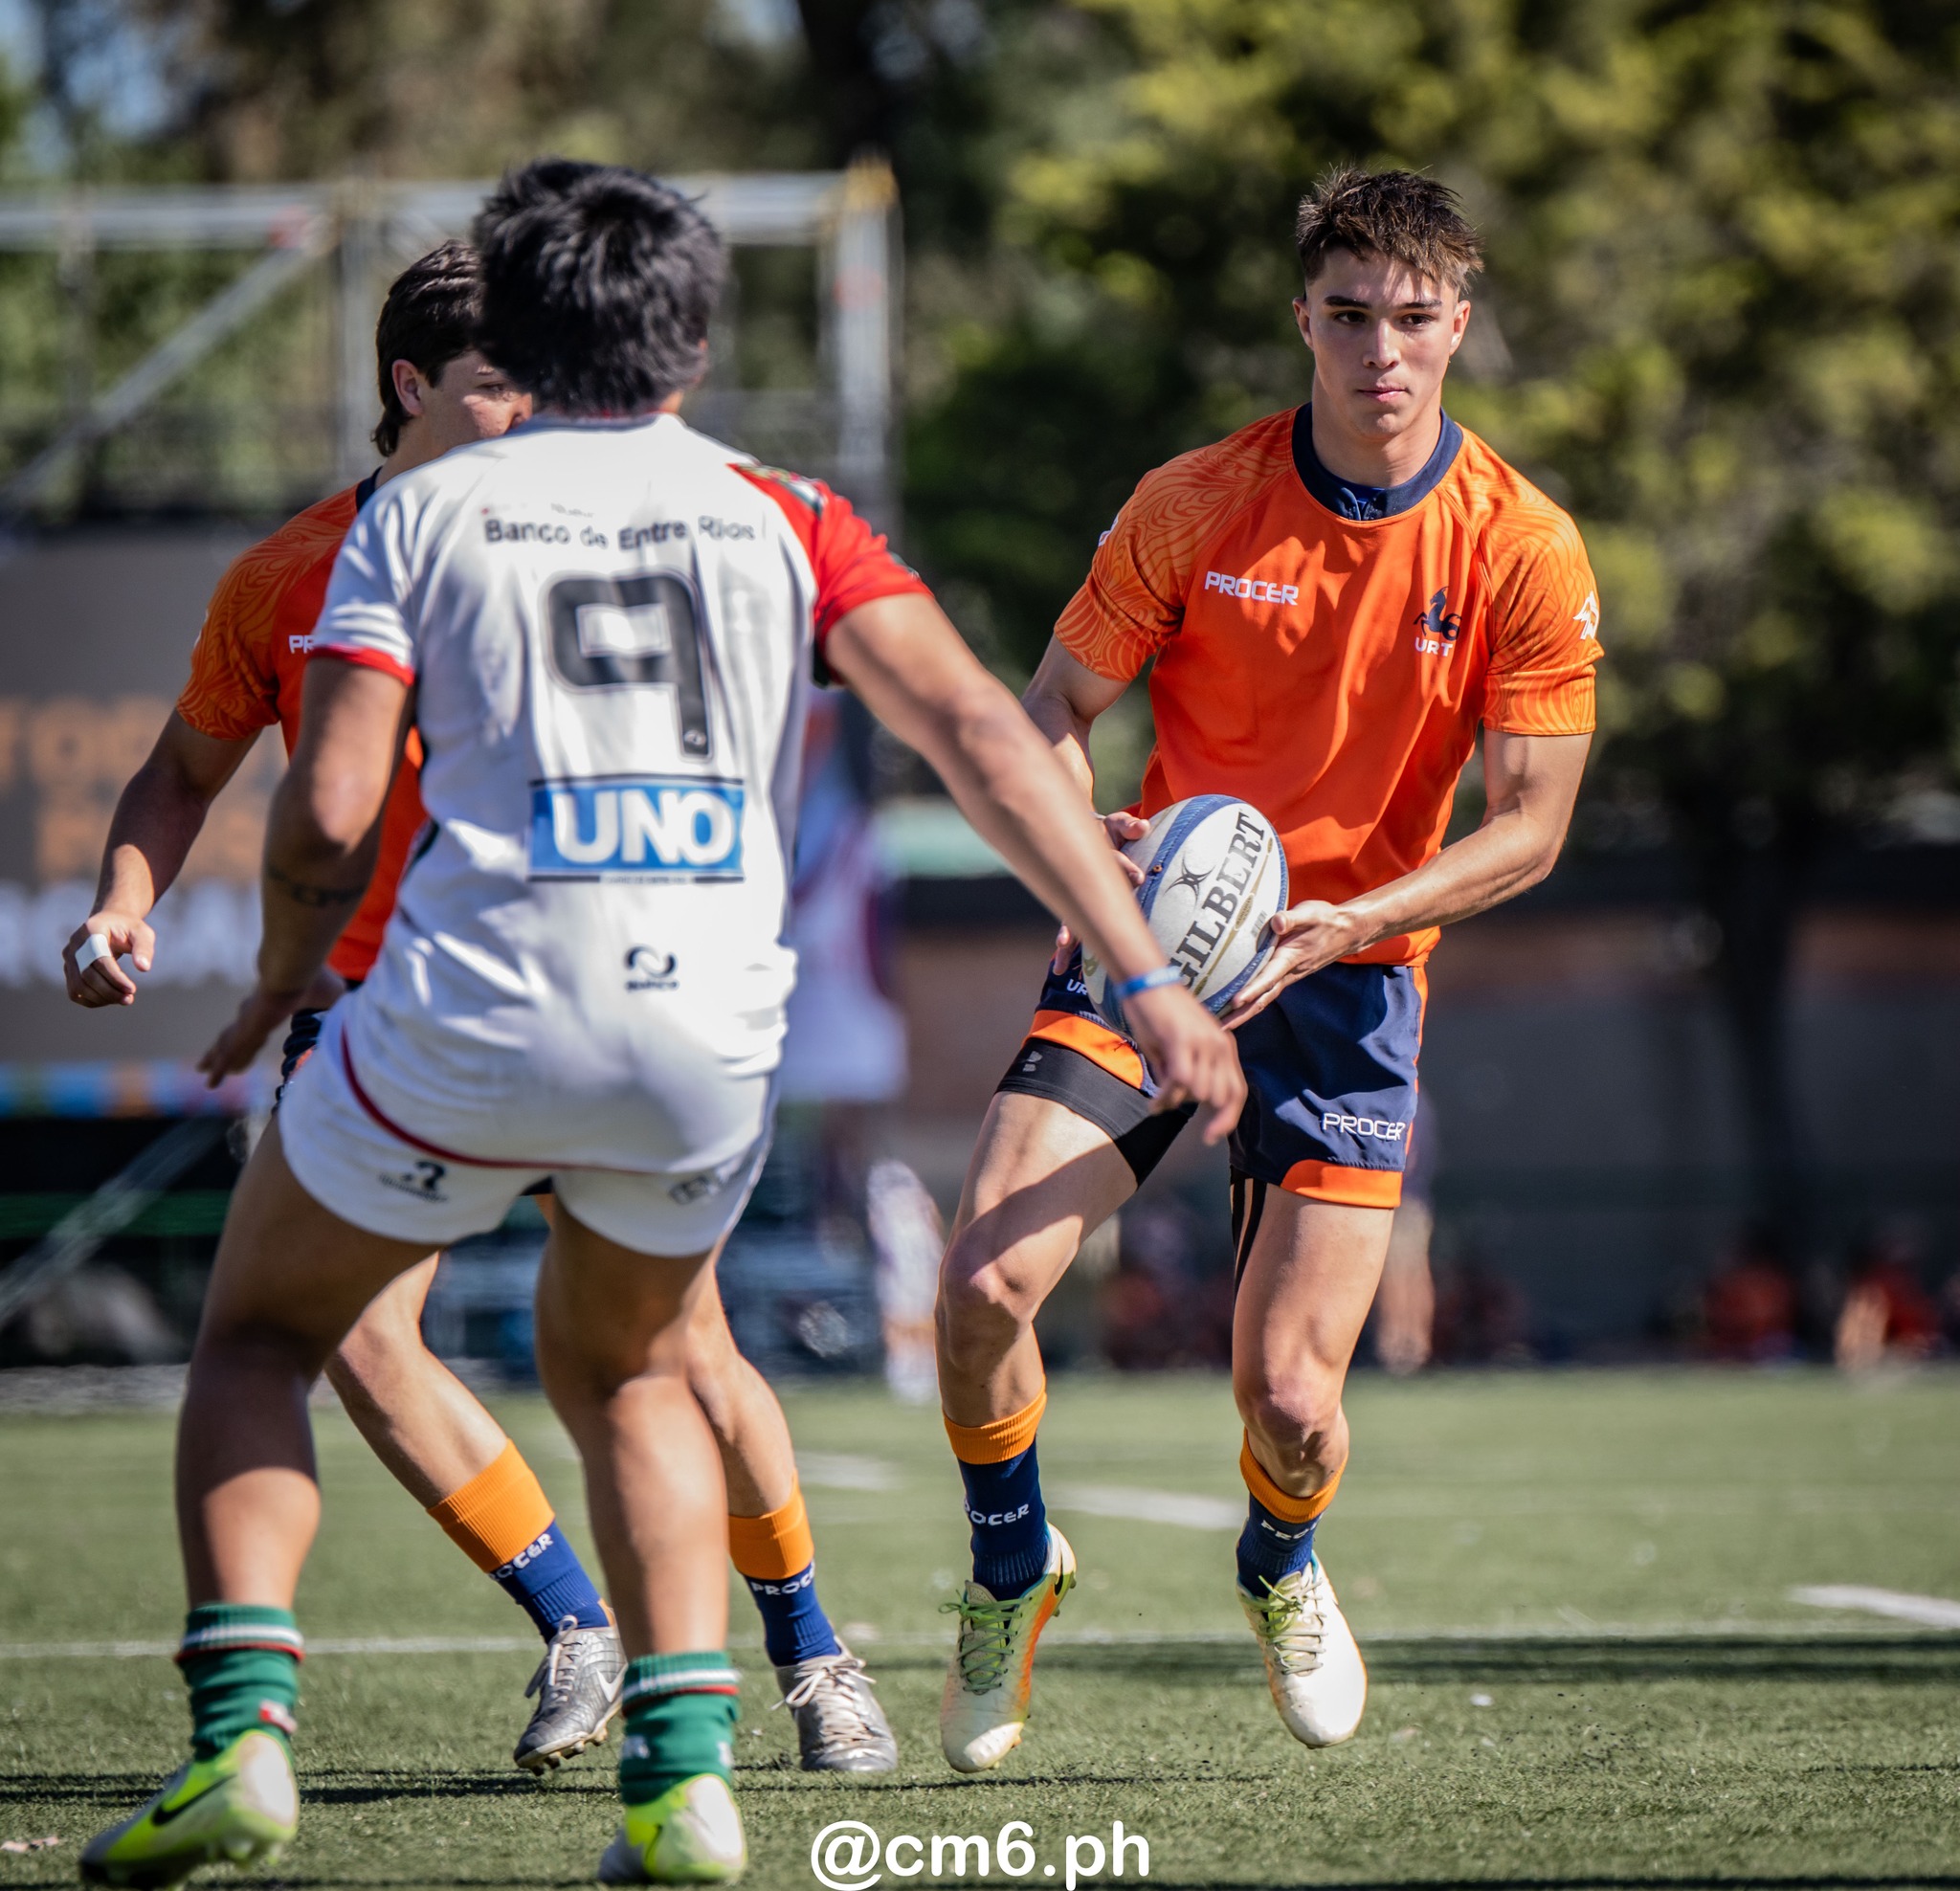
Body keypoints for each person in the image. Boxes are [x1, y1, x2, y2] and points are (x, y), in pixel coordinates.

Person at [80, 160, 1241, 1888]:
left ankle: (242, 1739)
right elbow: (994, 746)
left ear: (534, 336)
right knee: (631, 1364)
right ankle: (682, 1775)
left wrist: (270, 985)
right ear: (694, 349)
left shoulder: (412, 520)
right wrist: (1140, 974)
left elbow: (326, 817)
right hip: (706, 1036)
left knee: (262, 1330)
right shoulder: (790, 511)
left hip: (466, 1010)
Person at [61, 242, 898, 1783]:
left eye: (542, 379)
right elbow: (184, 773)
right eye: (496, 383)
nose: (532, 414)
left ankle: (813, 1651)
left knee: (684, 1343)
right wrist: (128, 901)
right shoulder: (291, 575)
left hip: (572, 988)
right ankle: (579, 1622)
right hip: (376, 1009)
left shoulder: (577, 538)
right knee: (361, 1338)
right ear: (407, 389)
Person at [930, 165, 1600, 1772]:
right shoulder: (1194, 502)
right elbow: (1043, 721)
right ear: (1304, 315)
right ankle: (1013, 1566)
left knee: (1292, 1404)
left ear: (1462, 317)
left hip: (1356, 979)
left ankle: (1281, 1562)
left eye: (1417, 319)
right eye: (1351, 316)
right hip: (1158, 943)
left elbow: (1530, 829)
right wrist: (1087, 847)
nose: (1383, 351)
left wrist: (1356, 919)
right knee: (976, 1291)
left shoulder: (1523, 547)